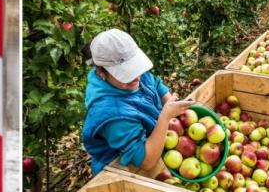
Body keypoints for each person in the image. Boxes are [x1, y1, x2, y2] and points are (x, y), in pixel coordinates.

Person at [81, 29, 194, 178]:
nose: (136, 77)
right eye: (126, 73)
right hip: (121, 175)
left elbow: (155, 84)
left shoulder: (133, 76)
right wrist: (166, 116)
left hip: (157, 143)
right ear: (102, 72)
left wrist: (172, 106)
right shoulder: (111, 114)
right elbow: (146, 162)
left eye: (135, 67)